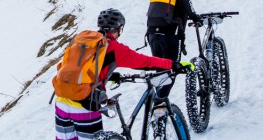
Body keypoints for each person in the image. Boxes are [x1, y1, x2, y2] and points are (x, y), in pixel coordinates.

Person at [54, 8, 192, 139]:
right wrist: (173, 65)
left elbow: (83, 68)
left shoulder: (85, 41)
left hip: (61, 99)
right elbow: (144, 62)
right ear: (119, 28)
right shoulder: (113, 47)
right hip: (84, 105)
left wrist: (108, 75)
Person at [146, 0, 202, 111]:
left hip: (152, 31)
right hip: (170, 32)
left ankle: (157, 103)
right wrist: (194, 16)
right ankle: (159, 105)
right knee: (171, 69)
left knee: (160, 69)